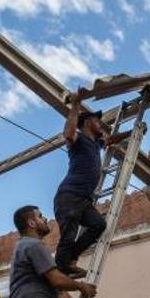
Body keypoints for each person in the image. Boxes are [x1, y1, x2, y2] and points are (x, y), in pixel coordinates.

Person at [54, 90, 108, 278]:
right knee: (68, 237)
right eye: (96, 120)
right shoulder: (78, 139)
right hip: (69, 196)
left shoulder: (96, 144)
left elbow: (110, 140)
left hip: (83, 200)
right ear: (86, 122)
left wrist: (135, 130)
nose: (100, 123)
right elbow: (68, 134)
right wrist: (76, 105)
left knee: (98, 225)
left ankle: (69, 260)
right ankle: (59, 281)